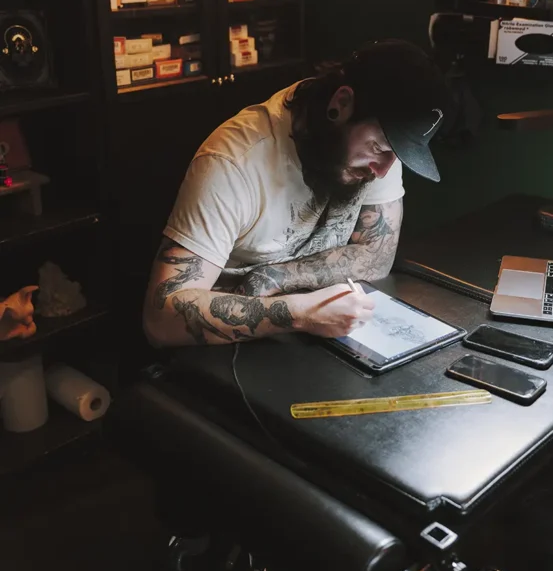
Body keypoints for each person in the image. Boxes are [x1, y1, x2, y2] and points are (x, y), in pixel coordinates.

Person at [143, 39, 451, 348]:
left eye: (394, 155)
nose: (382, 170)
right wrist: (301, 313)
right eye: (380, 148)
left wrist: (277, 276)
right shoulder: (234, 162)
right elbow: (162, 319)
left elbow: (378, 255)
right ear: (341, 105)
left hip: (311, 332)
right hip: (223, 348)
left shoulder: (377, 151)